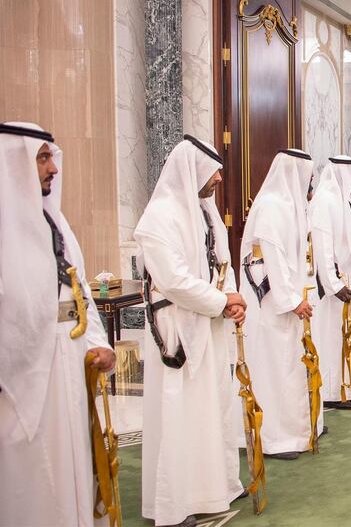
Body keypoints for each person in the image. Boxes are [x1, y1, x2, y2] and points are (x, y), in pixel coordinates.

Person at [0, 123, 116, 527]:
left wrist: (102, 346)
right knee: (35, 482)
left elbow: (81, 291)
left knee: (76, 469)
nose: (53, 168)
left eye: (53, 157)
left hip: (68, 364)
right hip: (22, 383)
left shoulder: (58, 224)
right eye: (42, 158)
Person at [135, 135, 245, 526]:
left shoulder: (205, 211)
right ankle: (174, 503)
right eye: (212, 170)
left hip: (210, 322)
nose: (218, 177)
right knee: (179, 411)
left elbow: (223, 261)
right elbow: (175, 280)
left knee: (212, 405)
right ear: (190, 168)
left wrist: (232, 297)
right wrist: (223, 302)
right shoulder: (159, 217)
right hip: (178, 329)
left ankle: (213, 488)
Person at [239, 149, 323, 460]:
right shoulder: (272, 206)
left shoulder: (291, 206)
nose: (310, 181)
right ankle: (274, 438)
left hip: (288, 302)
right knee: (274, 369)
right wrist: (290, 300)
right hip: (273, 305)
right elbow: (269, 258)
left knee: (289, 366)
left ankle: (294, 432)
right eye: (307, 175)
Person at [310, 156, 351, 407]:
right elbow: (323, 245)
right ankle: (332, 392)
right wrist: (333, 284)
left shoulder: (347, 200)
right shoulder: (325, 201)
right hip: (338, 285)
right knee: (334, 335)